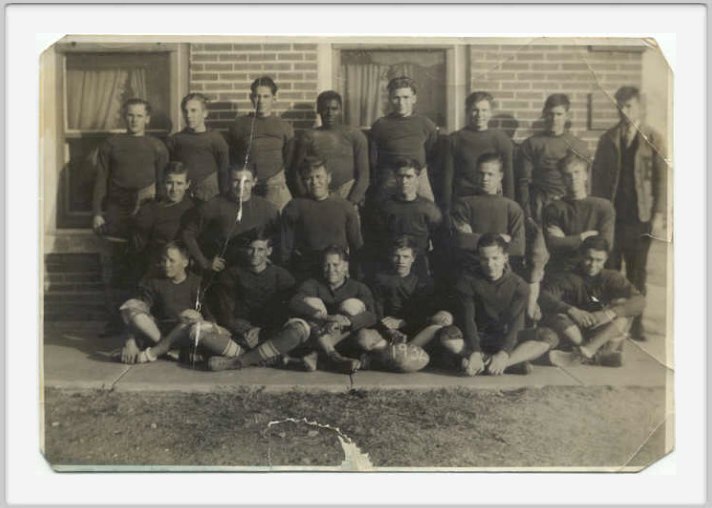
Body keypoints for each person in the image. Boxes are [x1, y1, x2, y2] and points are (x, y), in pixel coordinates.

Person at [590, 86, 668, 342]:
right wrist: (600, 214)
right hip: (614, 217)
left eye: (629, 106)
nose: (624, 112)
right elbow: (598, 180)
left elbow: (661, 181)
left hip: (640, 217)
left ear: (640, 107)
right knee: (611, 269)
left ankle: (636, 325)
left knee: (638, 271)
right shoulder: (608, 139)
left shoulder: (653, 138)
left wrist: (658, 215)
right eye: (620, 107)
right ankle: (612, 325)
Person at [92, 98, 169, 332]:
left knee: (143, 263)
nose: (134, 120)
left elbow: (162, 186)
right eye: (130, 115)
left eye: (139, 115)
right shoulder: (111, 145)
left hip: (145, 211)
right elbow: (101, 182)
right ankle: (115, 320)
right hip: (117, 212)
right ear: (124, 117)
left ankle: (142, 318)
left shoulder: (157, 147)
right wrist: (97, 212)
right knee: (115, 266)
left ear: (147, 118)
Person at [451, 234, 559, 376]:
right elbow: (468, 320)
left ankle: (501, 363)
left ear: (505, 258)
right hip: (477, 336)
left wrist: (504, 354)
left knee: (549, 336)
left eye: (495, 258)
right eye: (484, 259)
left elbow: (516, 323)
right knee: (447, 336)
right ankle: (490, 361)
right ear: (479, 258)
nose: (490, 264)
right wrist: (476, 351)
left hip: (505, 337)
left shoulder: (519, 285)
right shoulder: (468, 281)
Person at [205, 232, 313, 371]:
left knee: (299, 329)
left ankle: (239, 362)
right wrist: (245, 330)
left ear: (269, 251)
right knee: (203, 336)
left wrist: (262, 331)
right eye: (251, 248)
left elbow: (286, 310)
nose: (255, 253)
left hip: (270, 332)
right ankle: (272, 358)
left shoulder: (281, 275)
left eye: (260, 249)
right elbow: (225, 311)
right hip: (241, 333)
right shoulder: (232, 274)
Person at [118, 242, 239, 365]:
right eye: (164, 260)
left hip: (187, 332)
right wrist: (130, 341)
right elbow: (138, 312)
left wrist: (202, 320)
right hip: (160, 333)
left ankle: (157, 351)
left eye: (172, 261)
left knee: (189, 319)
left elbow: (209, 316)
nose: (166, 265)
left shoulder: (197, 283)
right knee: (132, 307)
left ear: (185, 262)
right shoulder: (155, 282)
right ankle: (167, 350)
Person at [539, 235, 646, 367]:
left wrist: (610, 313)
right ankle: (597, 356)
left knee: (623, 316)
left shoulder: (612, 277)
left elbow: (640, 301)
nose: (593, 265)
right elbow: (544, 296)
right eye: (588, 259)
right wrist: (571, 310)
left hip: (600, 329)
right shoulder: (568, 276)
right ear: (581, 255)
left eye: (598, 260)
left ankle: (584, 353)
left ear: (606, 259)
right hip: (575, 329)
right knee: (557, 316)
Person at [354, 236, 452, 372]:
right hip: (386, 334)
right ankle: (393, 357)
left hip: (412, 334)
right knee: (363, 337)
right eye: (397, 256)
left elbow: (423, 314)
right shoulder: (380, 279)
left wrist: (403, 322)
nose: (401, 261)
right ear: (390, 256)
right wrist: (390, 330)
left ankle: (386, 358)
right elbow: (376, 310)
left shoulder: (423, 282)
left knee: (438, 324)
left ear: (413, 258)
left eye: (406, 257)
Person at [288, 245, 377, 373]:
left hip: (344, 337)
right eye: (326, 265)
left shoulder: (358, 287)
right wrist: (326, 317)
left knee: (352, 305)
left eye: (336, 265)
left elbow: (372, 315)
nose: (330, 270)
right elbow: (294, 302)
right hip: (316, 333)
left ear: (346, 266)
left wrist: (346, 321)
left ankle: (317, 356)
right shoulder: (313, 284)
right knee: (312, 302)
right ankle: (333, 357)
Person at [181, 165, 280, 274]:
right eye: (236, 181)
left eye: (246, 181)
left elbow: (278, 238)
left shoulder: (267, 208)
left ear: (254, 182)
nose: (240, 186)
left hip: (255, 271)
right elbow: (188, 233)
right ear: (229, 181)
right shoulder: (214, 205)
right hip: (225, 271)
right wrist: (205, 262)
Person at [280, 158, 363, 281]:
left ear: (328, 178)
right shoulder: (294, 207)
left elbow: (356, 245)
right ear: (303, 181)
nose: (315, 182)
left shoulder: (345, 207)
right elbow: (285, 248)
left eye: (319, 177)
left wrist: (355, 276)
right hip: (306, 271)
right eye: (309, 178)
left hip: (337, 272)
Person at [362, 157, 442, 279]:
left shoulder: (429, 209)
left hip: (418, 265)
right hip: (390, 265)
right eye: (400, 176)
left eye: (409, 177)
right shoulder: (384, 207)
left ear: (417, 179)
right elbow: (375, 240)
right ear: (395, 178)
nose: (404, 181)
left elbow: (438, 241)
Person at [516, 93, 589, 223]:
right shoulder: (531, 144)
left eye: (559, 114)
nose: (554, 119)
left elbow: (586, 183)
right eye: (550, 114)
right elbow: (524, 182)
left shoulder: (577, 145)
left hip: (570, 203)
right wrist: (527, 213)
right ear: (544, 114)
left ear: (567, 116)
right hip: (541, 204)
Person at [291, 90, 369, 206]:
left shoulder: (355, 135)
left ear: (340, 110)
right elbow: (296, 171)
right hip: (316, 196)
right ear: (318, 110)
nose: (329, 113)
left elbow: (364, 174)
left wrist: (352, 201)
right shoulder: (309, 136)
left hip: (347, 194)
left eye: (334, 109)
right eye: (325, 109)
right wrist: (305, 197)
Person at [227, 76, 295, 210]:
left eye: (266, 96)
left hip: (275, 184)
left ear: (274, 98)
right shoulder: (240, 124)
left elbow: (289, 159)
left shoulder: (284, 126)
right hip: (246, 184)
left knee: (279, 222)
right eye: (257, 96)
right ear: (251, 97)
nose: (261, 101)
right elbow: (232, 156)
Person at [543, 151, 615, 273]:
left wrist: (568, 241)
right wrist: (583, 237)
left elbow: (605, 244)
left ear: (586, 175)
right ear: (562, 179)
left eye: (577, 172)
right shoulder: (553, 208)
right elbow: (553, 244)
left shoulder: (603, 207)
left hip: (591, 270)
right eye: (567, 174)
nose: (573, 178)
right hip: (562, 269)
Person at [443, 91, 515, 212]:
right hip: (464, 200)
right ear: (467, 111)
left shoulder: (500, 139)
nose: (479, 114)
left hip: (492, 200)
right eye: (475, 110)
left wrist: (509, 207)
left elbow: (508, 178)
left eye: (484, 110)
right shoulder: (455, 139)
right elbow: (447, 179)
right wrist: (446, 208)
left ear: (491, 113)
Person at [369, 76, 438, 202]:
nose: (401, 103)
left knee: (428, 207)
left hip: (418, 176)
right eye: (396, 98)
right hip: (390, 176)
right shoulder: (380, 125)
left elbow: (432, 155)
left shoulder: (426, 124)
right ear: (390, 99)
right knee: (383, 209)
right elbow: (373, 160)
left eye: (406, 97)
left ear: (414, 99)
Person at [451, 152, 525, 264]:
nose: (485, 178)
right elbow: (462, 241)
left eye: (490, 174)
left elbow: (518, 248)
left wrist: (475, 238)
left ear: (500, 176)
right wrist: (501, 238)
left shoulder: (512, 207)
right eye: (481, 173)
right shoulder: (464, 204)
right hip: (472, 267)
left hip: (502, 269)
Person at [131, 162, 195, 278]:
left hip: (188, 273)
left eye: (179, 183)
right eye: (169, 183)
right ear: (163, 183)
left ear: (187, 184)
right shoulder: (150, 210)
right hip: (158, 270)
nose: (174, 189)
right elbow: (138, 248)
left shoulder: (196, 210)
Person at [166, 93, 230, 202]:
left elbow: (224, 170)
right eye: (186, 111)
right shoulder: (176, 139)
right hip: (183, 194)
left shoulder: (215, 138)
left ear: (204, 113)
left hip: (209, 193)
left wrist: (224, 195)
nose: (189, 115)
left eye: (193, 110)